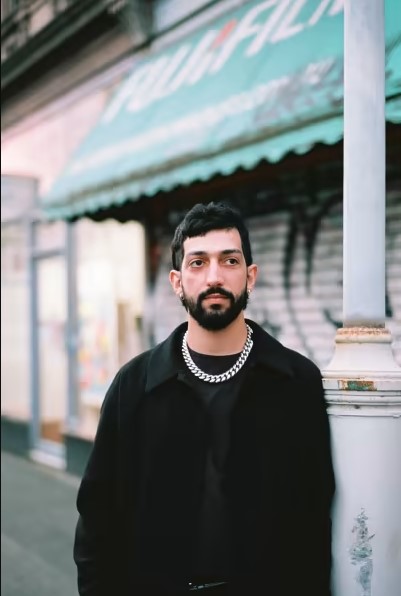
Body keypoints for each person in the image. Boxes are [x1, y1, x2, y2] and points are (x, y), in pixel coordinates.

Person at [73, 201, 335, 596]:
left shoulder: (297, 382)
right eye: (199, 263)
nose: (214, 276)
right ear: (177, 282)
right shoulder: (134, 386)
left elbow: (315, 515)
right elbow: (98, 517)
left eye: (229, 261)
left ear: (250, 276)